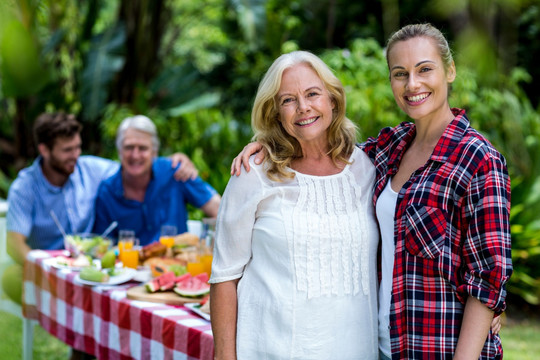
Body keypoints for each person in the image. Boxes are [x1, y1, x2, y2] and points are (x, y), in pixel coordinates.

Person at [232, 23, 512, 360]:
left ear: (449, 71)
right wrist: (267, 140)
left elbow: (487, 280)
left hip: (440, 349)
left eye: (425, 69)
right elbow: (320, 146)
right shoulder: (388, 149)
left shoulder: (478, 159)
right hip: (383, 346)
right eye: (400, 73)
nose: (413, 84)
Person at [210, 51, 379, 360]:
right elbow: (224, 276)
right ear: (275, 112)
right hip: (270, 350)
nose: (303, 108)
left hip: (356, 349)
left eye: (312, 93)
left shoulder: (366, 168)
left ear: (332, 99)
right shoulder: (253, 173)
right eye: (288, 100)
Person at [3, 112, 197, 360]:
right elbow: (14, 245)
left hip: (89, 268)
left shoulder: (89, 168)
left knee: (98, 292)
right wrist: (50, 271)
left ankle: (86, 344)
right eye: (66, 150)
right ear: (44, 150)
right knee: (11, 277)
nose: (75, 155)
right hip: (48, 269)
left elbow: (136, 165)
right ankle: (80, 340)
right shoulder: (25, 187)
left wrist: (173, 162)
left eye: (77, 147)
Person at [93, 115, 221, 245]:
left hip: (177, 263)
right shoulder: (107, 191)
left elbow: (219, 209)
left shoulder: (176, 172)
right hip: (129, 265)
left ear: (154, 152)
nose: (135, 155)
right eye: (129, 147)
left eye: (143, 148)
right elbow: (103, 245)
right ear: (119, 150)